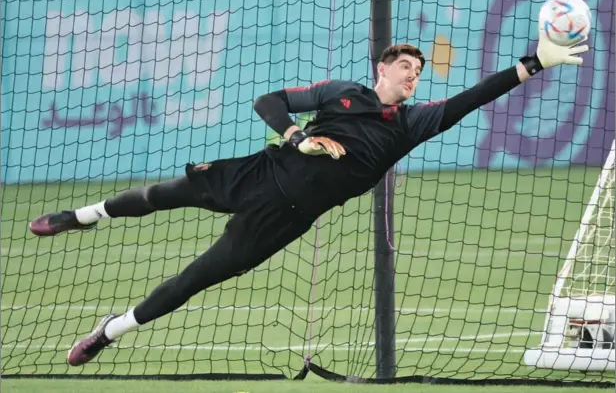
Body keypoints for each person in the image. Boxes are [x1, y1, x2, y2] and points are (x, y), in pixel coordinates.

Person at [29, 31, 588, 366]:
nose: (413, 76)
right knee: (158, 195)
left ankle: (108, 331)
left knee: (191, 282)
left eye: (418, 72)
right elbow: (268, 100)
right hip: (256, 173)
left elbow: (472, 98)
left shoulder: (413, 125)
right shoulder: (341, 94)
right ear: (382, 69)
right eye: (405, 67)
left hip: (284, 220)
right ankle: (80, 216)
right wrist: (299, 136)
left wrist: (534, 62)